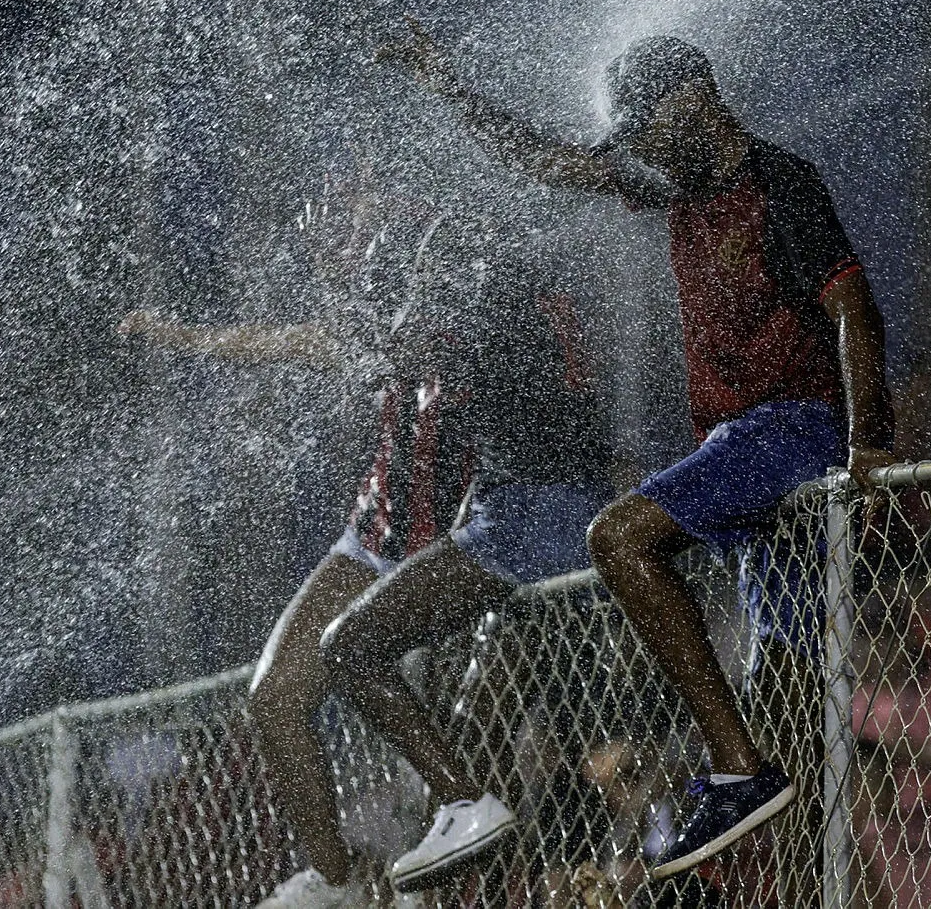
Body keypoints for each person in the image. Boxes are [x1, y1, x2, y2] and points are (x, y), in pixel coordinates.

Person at [378, 19, 896, 879]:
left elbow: (854, 312)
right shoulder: (679, 191)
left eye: (647, 131)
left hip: (792, 431)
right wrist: (446, 83)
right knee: (786, 704)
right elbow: (547, 163)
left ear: (692, 102)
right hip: (752, 453)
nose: (642, 154)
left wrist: (870, 448)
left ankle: (736, 768)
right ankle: (797, 852)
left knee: (618, 537)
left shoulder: (780, 182)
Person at [123, 207, 616, 901]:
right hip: (375, 536)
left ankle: (473, 869)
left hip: (460, 542)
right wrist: (184, 336)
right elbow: (291, 342)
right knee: (274, 698)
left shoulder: (485, 331)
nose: (396, 290)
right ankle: (337, 884)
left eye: (404, 273)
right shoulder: (383, 329)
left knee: (467, 737)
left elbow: (538, 437)